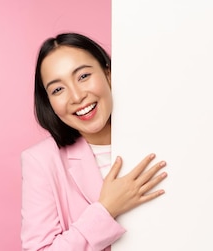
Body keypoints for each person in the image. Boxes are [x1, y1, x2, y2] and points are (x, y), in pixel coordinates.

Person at [21, 32, 168, 251]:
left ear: (108, 73)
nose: (77, 96)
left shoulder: (163, 132)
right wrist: (106, 209)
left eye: (83, 76)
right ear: (49, 102)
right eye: (58, 89)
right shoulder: (41, 161)